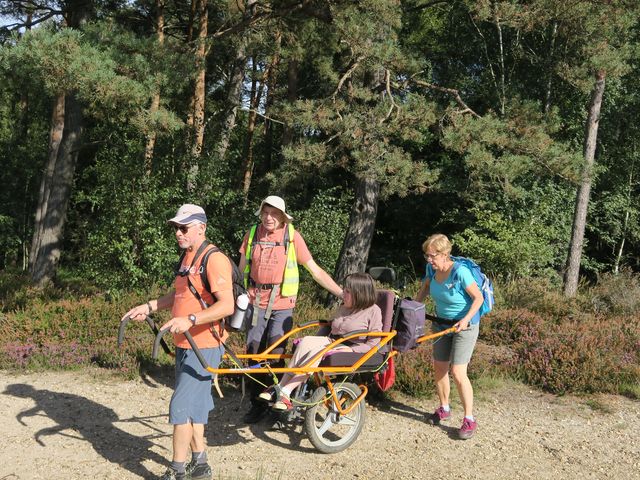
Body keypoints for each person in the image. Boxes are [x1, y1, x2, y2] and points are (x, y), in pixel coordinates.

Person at [121, 204, 234, 480]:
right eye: (176, 228)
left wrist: (192, 320)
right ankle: (201, 464)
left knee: (181, 408)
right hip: (185, 344)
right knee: (194, 407)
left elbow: (227, 305)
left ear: (201, 228)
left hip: (205, 344)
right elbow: (179, 294)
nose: (178, 233)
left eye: (184, 228)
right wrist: (148, 307)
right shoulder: (187, 257)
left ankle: (177, 470)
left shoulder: (214, 258)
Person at [238, 195, 343, 423]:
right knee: (253, 353)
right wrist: (235, 295)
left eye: (274, 214)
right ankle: (257, 403)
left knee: (276, 354)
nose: (268, 218)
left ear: (283, 217)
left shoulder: (292, 237)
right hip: (255, 302)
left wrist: (343, 294)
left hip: (282, 305)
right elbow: (240, 270)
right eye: (265, 212)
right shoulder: (252, 234)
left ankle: (278, 405)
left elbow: (315, 271)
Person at [258, 272, 382, 410]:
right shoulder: (344, 306)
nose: (343, 293)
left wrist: (352, 349)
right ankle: (280, 387)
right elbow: (331, 325)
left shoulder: (373, 311)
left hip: (351, 347)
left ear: (359, 294)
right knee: (306, 341)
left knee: (317, 351)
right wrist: (316, 339)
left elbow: (374, 342)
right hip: (332, 341)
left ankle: (286, 391)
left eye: (347, 291)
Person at [414, 233, 484, 440]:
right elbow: (424, 290)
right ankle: (444, 408)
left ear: (444, 254)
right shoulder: (431, 270)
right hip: (441, 324)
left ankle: (469, 419)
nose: (429, 260)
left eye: (432, 256)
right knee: (439, 366)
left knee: (458, 371)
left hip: (466, 325)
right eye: (427, 255)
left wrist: (465, 320)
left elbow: (478, 298)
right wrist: (413, 310)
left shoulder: (460, 272)